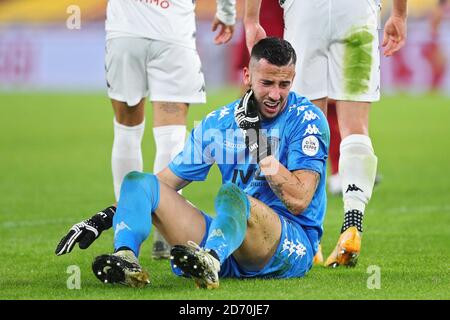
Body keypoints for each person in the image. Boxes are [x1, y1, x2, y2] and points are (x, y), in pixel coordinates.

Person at [55, 37, 330, 289]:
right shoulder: (220, 123)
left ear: (293, 79)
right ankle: (126, 258)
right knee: (139, 183)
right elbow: (163, 183)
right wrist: (105, 216)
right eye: (267, 83)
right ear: (247, 76)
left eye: (284, 85)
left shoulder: (307, 121)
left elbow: (299, 199)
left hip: (290, 244)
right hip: (229, 240)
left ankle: (210, 259)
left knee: (233, 196)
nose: (275, 95)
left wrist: (257, 143)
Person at [244, 0, 408, 267]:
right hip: (357, 11)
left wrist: (251, 18)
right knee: (356, 127)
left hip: (305, 12)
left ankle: (311, 238)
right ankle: (352, 220)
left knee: (306, 127)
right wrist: (399, 13)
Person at [105, 0, 236, 259]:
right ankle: (166, 233)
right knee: (172, 132)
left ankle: (126, 228)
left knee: (126, 130)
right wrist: (227, 12)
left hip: (125, 29)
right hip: (172, 30)